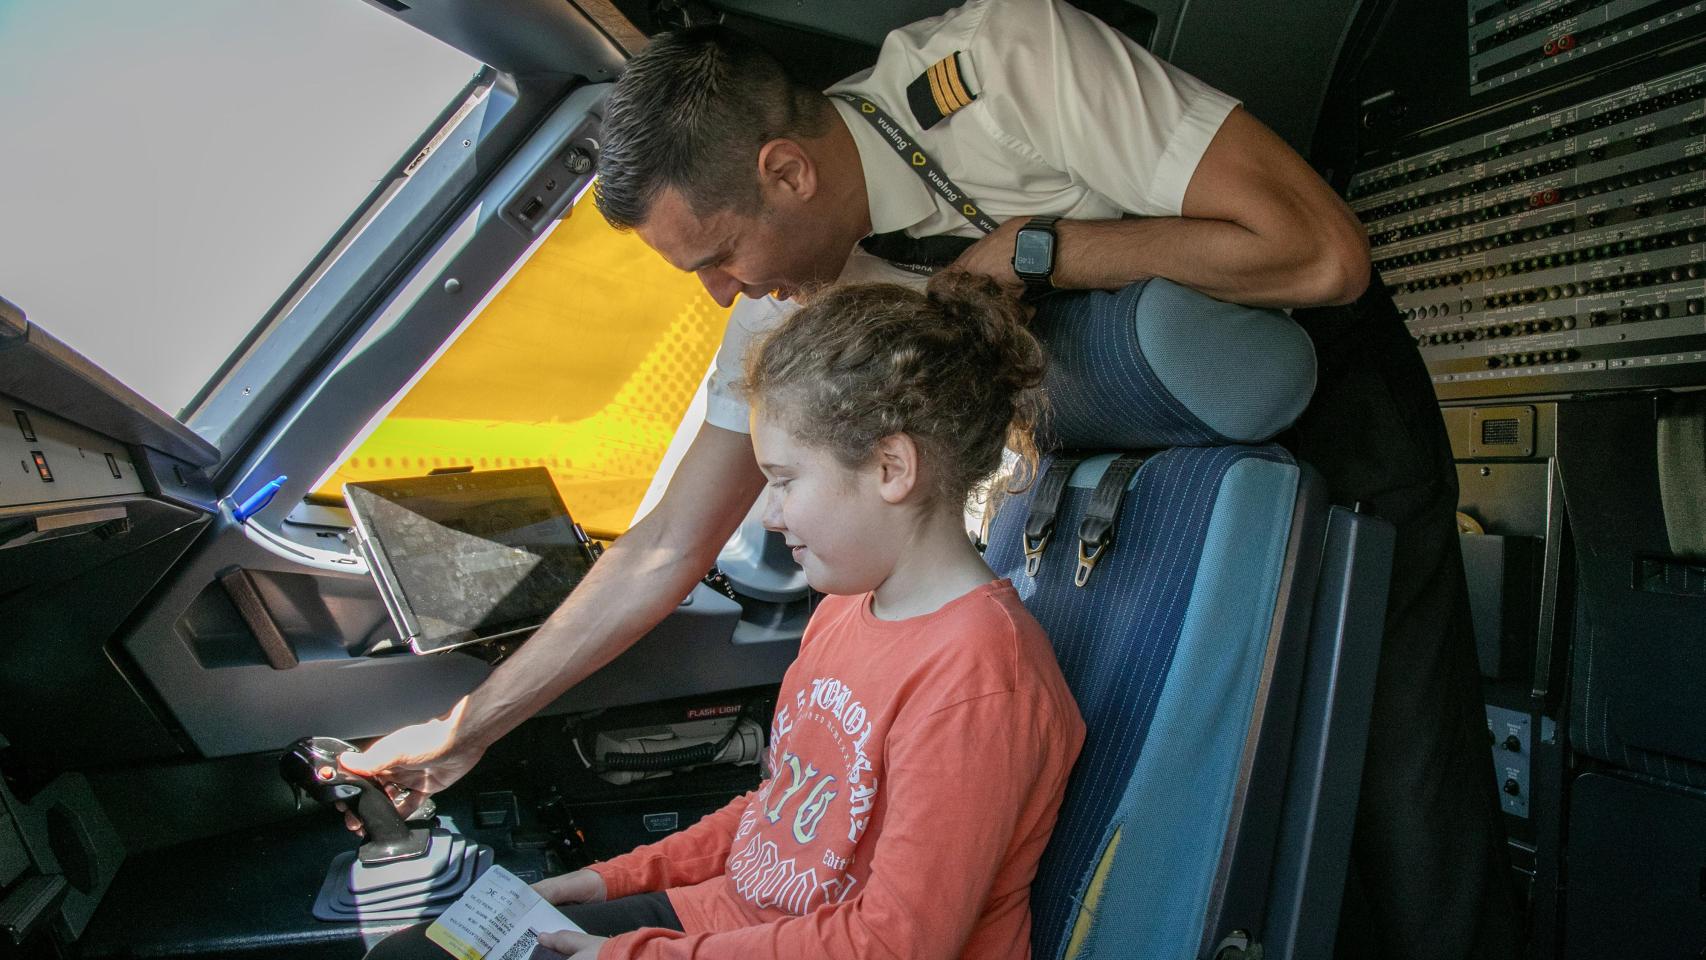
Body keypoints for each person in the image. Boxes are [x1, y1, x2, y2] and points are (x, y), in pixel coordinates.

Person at [343, 3, 1519, 957]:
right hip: (1105, 471)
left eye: (718, 257)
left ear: (785, 171)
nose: (722, 294)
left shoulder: (1009, 68)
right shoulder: (795, 310)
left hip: (1321, 405)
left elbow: (1320, 254)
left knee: (1406, 808)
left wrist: (1034, 253)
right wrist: (467, 729)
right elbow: (663, 544)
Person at [367, 275, 1085, 960]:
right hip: (732, 920)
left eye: (784, 481)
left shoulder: (978, 678)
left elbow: (897, 943)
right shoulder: (844, 610)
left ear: (891, 468)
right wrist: (612, 880)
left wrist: (629, 951)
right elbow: (781, 816)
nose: (769, 514)